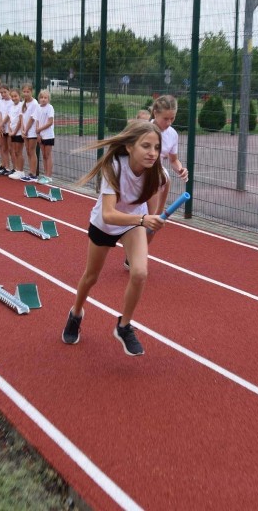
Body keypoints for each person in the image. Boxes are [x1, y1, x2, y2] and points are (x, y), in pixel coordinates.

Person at [62, 120, 167, 356]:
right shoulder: (114, 167)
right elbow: (109, 214)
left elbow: (160, 190)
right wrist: (143, 220)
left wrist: (154, 217)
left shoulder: (157, 172)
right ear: (130, 146)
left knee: (139, 272)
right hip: (105, 224)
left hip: (133, 224)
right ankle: (76, 313)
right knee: (91, 277)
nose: (152, 153)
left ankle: (124, 326)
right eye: (146, 146)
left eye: (157, 147)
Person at [123, 95, 189, 269]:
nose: (168, 122)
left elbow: (173, 160)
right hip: (136, 177)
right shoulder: (143, 129)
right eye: (165, 118)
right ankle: (133, 249)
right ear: (155, 113)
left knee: (155, 222)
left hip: (157, 181)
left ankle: (135, 256)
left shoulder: (173, 134)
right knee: (130, 219)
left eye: (172, 118)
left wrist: (180, 168)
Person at [18, 83, 41, 182]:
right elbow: (22, 117)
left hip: (31, 131)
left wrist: (26, 130)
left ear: (32, 92)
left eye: (28, 92)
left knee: (32, 151)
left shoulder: (35, 103)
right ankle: (30, 172)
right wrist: (22, 130)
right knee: (27, 151)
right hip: (25, 131)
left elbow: (32, 118)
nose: (26, 93)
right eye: (24, 92)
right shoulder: (23, 103)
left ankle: (33, 174)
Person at [34, 89, 55, 184]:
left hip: (48, 135)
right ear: (39, 99)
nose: (43, 99)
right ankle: (45, 174)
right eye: (41, 97)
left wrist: (40, 129)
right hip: (41, 135)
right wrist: (38, 133)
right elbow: (37, 121)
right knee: (43, 155)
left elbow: (50, 122)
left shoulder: (50, 108)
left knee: (48, 155)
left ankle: (49, 176)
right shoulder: (38, 107)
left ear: (48, 99)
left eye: (45, 98)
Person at [0, 83, 14, 176]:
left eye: (5, 92)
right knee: (2, 147)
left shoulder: (12, 102)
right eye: (1, 93)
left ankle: (14, 168)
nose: (3, 94)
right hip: (2, 127)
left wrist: (2, 124)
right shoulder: (1, 101)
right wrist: (0, 125)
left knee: (10, 148)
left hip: (9, 127)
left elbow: (9, 115)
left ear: (8, 91)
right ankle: (5, 166)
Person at [6, 88, 26, 180]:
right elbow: (10, 119)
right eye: (12, 96)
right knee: (15, 151)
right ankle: (17, 170)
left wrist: (14, 131)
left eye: (15, 96)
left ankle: (21, 171)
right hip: (13, 132)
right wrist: (10, 129)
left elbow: (20, 120)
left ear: (19, 96)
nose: (14, 98)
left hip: (18, 132)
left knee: (19, 152)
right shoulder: (11, 107)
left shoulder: (21, 106)